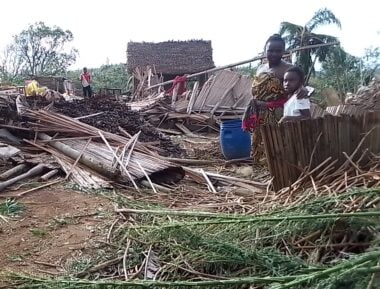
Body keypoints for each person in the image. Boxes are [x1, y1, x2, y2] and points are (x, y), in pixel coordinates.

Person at [242, 34, 292, 163]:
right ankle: (260, 171)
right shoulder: (260, 68)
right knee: (259, 144)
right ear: (265, 50)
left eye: (278, 50)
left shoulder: (288, 69)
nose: (274, 54)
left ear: (283, 51)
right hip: (258, 114)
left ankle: (277, 172)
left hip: (277, 115)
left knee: (276, 144)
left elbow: (299, 88)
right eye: (270, 50)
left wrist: (303, 91)